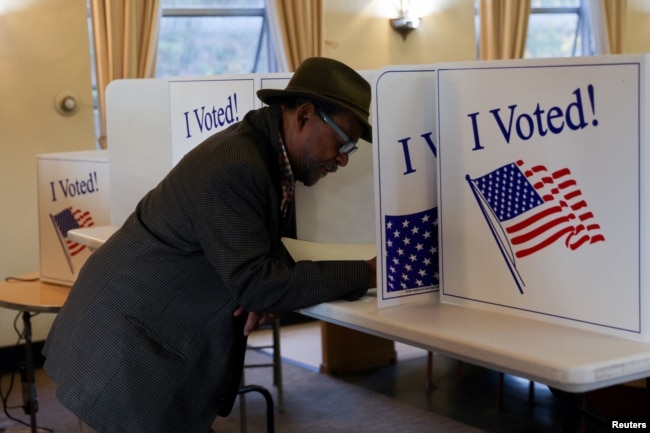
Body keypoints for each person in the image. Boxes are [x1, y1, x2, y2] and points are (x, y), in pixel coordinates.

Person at [42, 56, 377, 433]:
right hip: (128, 342)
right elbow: (260, 284)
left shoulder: (262, 157)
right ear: (304, 116)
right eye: (343, 141)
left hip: (141, 329)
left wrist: (262, 288)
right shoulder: (239, 166)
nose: (343, 159)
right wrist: (366, 273)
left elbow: (255, 263)